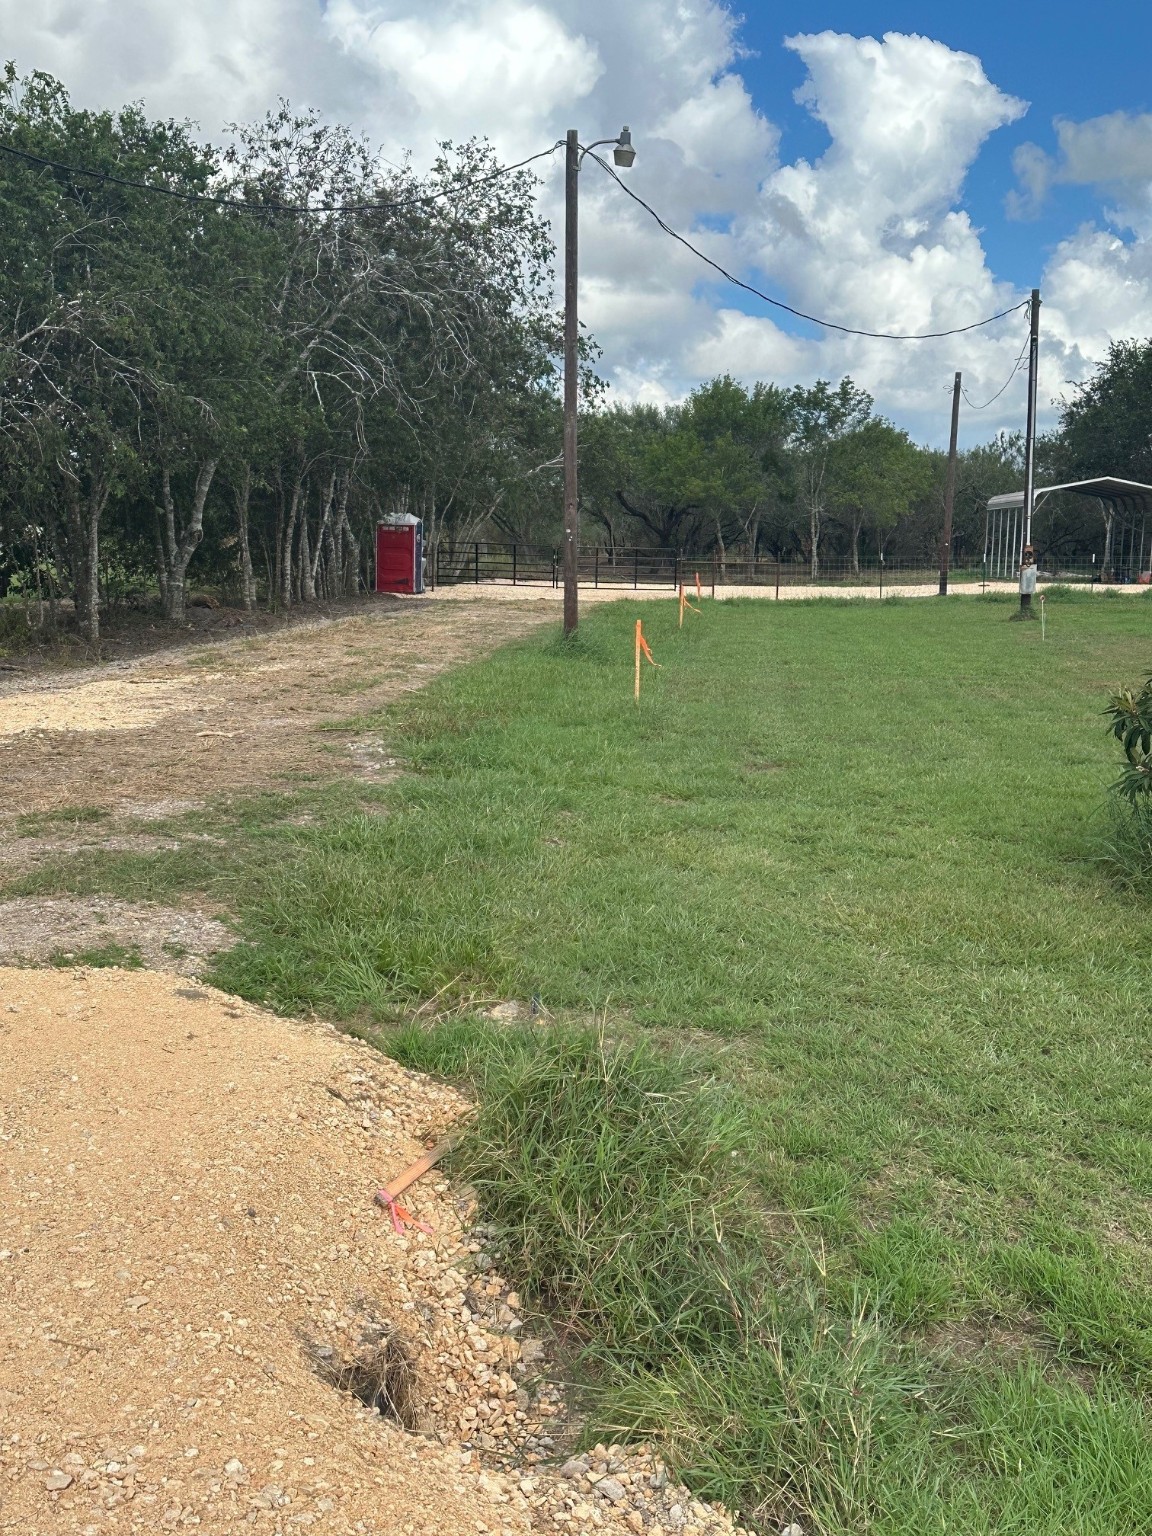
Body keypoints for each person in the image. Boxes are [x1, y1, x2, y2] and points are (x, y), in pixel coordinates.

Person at [1012, 546, 1039, 620]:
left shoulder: (1032, 563)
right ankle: (1024, 611)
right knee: (1025, 590)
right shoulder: (1024, 562)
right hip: (1025, 580)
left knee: (1028, 590)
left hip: (1029, 579)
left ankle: (1027, 611)